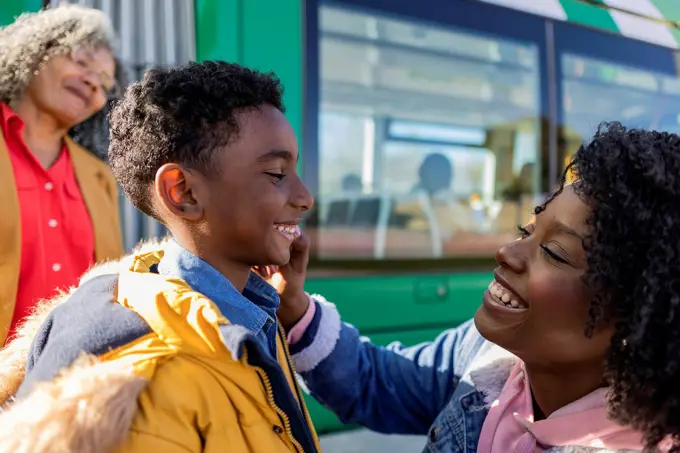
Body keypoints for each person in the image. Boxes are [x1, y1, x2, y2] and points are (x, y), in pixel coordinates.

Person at [272, 122, 680, 452]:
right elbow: (374, 382)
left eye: (554, 252)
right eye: (527, 230)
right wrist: (294, 306)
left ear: (636, 322)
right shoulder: (489, 359)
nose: (508, 252)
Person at [0, 61, 319, 453]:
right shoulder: (148, 383)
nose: (305, 197)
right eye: (275, 173)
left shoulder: (257, 315)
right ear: (181, 191)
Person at [0, 4, 124, 345]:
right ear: (35, 50)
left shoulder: (100, 177)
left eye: (104, 83)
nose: (90, 82)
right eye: (81, 61)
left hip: (69, 380)